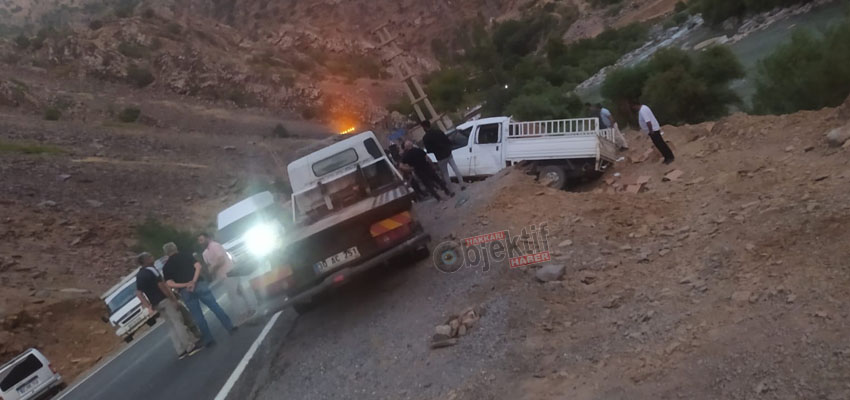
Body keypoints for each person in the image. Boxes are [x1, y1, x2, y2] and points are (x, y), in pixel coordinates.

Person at [162, 242, 235, 347]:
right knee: (214, 306)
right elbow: (198, 266)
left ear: (166, 253)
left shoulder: (166, 267)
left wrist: (186, 284)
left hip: (185, 290)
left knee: (198, 316)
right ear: (176, 248)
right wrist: (193, 281)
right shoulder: (186, 255)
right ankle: (229, 326)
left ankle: (209, 339)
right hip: (199, 284)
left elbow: (169, 283)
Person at [134, 252, 202, 359]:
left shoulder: (139, 275)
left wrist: (148, 306)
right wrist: (173, 299)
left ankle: (180, 350)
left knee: (171, 326)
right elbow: (162, 285)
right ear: (146, 260)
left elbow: (138, 293)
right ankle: (190, 346)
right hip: (164, 299)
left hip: (156, 304)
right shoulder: (152, 270)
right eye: (150, 257)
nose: (153, 257)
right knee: (178, 322)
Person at [198, 233, 255, 323]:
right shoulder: (205, 253)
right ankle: (250, 308)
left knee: (233, 294)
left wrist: (213, 268)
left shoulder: (215, 246)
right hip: (222, 275)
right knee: (239, 290)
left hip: (229, 271)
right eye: (199, 241)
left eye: (202, 240)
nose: (200, 242)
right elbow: (208, 265)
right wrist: (211, 270)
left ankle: (243, 313)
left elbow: (221, 259)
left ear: (207, 238)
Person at [420, 120, 466, 190]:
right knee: (455, 168)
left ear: (424, 127)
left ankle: (451, 190)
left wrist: (435, 150)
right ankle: (462, 184)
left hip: (440, 157)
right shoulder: (438, 131)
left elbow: (429, 150)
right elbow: (447, 140)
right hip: (447, 153)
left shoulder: (425, 138)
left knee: (445, 174)